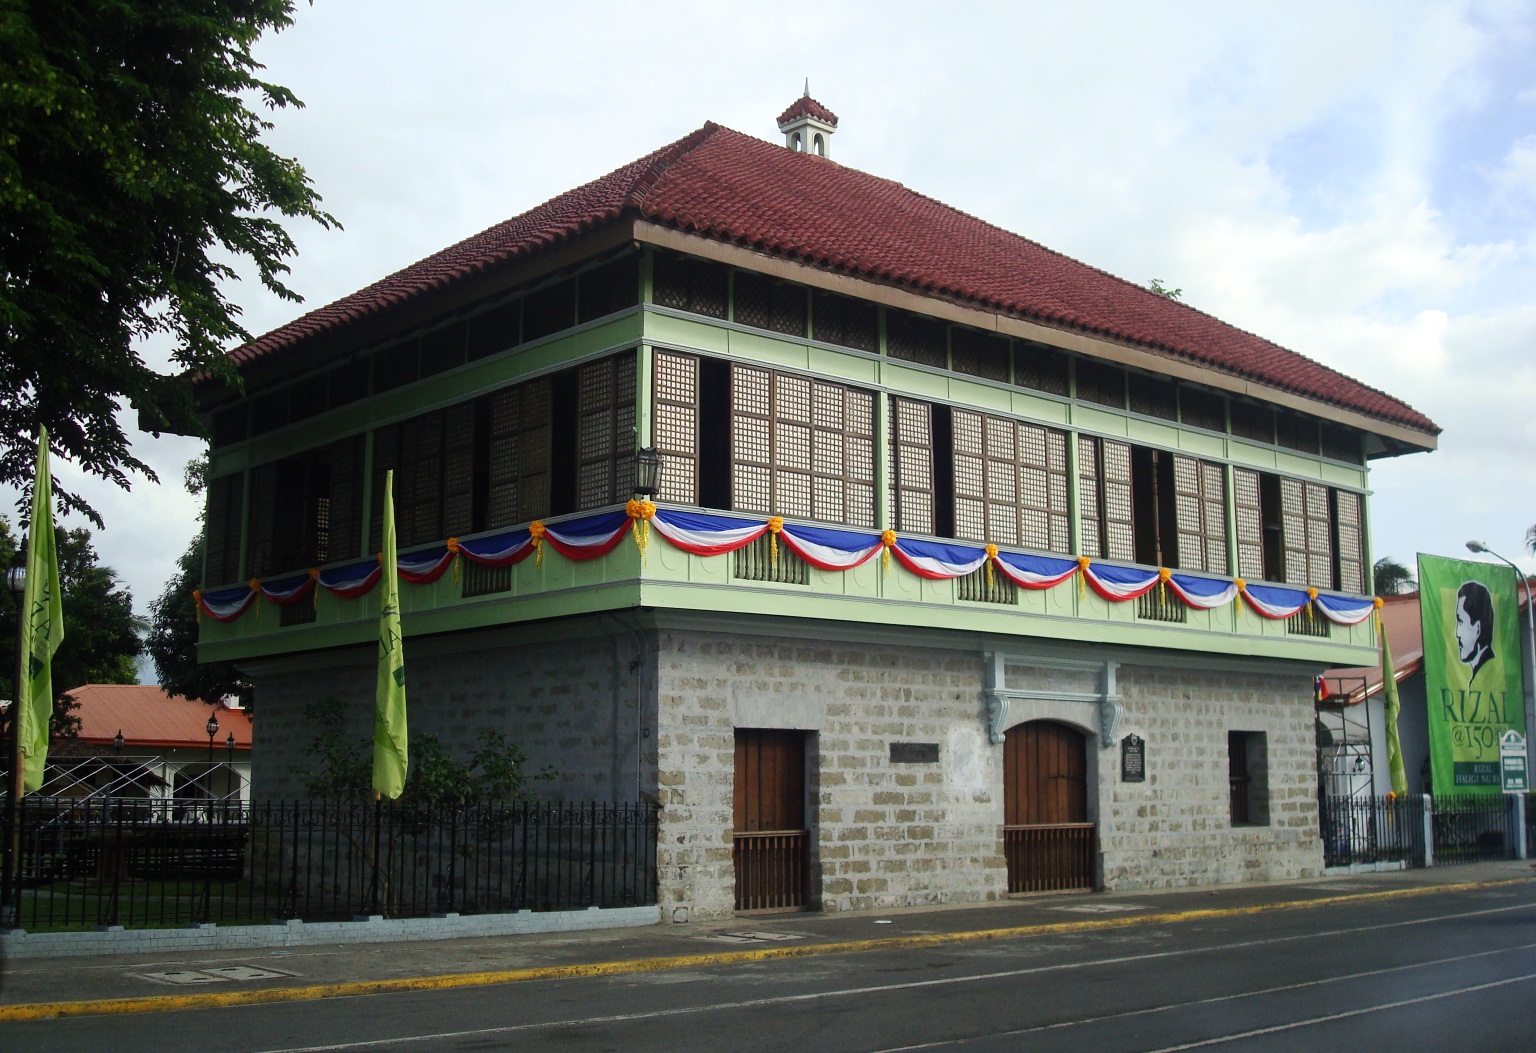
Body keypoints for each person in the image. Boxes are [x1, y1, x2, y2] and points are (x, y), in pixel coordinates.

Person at [1454, 580, 1496, 682]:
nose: (1457, 634)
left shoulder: (1490, 673)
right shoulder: (1482, 672)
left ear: (1478, 627)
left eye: (1461, 622)